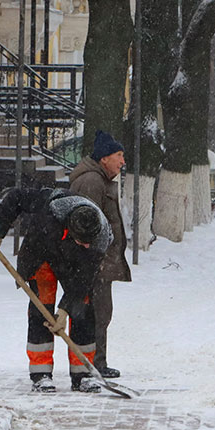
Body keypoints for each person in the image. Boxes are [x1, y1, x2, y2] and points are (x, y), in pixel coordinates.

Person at [0, 185, 112, 393]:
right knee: (40, 308)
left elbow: (84, 280)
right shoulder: (48, 205)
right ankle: (41, 374)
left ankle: (84, 374)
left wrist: (65, 310)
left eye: (89, 242)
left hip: (76, 266)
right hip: (40, 255)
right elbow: (15, 197)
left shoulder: (99, 239)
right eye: (82, 241)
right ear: (69, 230)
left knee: (83, 308)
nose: (87, 245)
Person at [67, 130, 131, 379]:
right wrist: (91, 258)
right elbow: (85, 225)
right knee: (96, 313)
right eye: (118, 155)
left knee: (100, 312)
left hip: (98, 262)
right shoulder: (92, 182)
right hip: (93, 263)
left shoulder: (98, 180)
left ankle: (95, 362)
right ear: (104, 158)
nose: (122, 162)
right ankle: (92, 364)